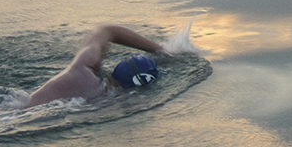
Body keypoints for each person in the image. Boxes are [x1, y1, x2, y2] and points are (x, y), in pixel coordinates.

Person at [24, 24, 183, 108]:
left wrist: (162, 50)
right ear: (135, 90)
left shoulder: (82, 70)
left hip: (10, 111)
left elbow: (107, 30)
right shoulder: (107, 104)